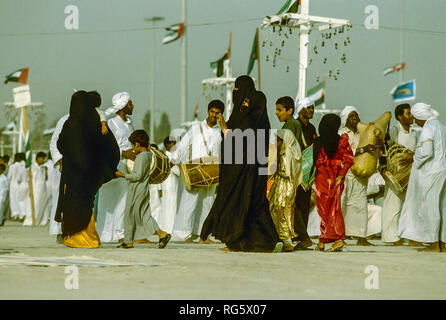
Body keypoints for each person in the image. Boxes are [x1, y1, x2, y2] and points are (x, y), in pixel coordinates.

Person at [200, 75, 282, 253]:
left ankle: (240, 241)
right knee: (256, 204)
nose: (243, 102)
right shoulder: (247, 117)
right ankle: (270, 241)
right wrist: (225, 128)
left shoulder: (250, 117)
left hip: (243, 173)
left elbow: (237, 140)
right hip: (249, 170)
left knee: (242, 203)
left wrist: (225, 130)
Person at [56, 90, 120, 248]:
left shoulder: (70, 123)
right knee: (86, 204)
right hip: (89, 175)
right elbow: (111, 147)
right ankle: (89, 238)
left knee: (73, 204)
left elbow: (60, 144)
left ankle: (77, 238)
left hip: (73, 174)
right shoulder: (96, 123)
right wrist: (100, 166)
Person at [169, 100, 223, 243]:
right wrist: (174, 160)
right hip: (196, 169)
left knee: (208, 202)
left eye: (217, 113)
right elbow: (183, 145)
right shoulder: (196, 128)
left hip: (211, 169)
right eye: (212, 112)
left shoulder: (220, 131)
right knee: (189, 201)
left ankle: (202, 235)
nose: (214, 115)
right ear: (208, 111)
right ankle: (182, 234)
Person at [399, 103, 446, 252]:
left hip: (431, 173)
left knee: (429, 207)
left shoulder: (428, 128)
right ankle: (442, 242)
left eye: (415, 118)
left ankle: (432, 242)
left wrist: (413, 157)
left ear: (420, 117)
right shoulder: (442, 127)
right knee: (442, 207)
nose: (414, 121)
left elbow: (426, 152)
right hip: (442, 171)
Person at [115, 130, 171, 249]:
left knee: (134, 215)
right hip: (143, 188)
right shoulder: (149, 154)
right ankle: (131, 240)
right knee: (143, 215)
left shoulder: (141, 157)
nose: (132, 148)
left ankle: (159, 235)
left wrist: (122, 175)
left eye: (133, 145)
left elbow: (137, 175)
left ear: (137, 144)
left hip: (136, 189)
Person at [96, 92, 136, 243]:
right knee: (106, 199)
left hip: (128, 167)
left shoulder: (130, 122)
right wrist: (123, 152)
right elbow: (104, 145)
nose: (133, 106)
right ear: (124, 106)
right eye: (130, 104)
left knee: (124, 199)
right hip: (112, 165)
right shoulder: (111, 123)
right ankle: (104, 233)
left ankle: (120, 233)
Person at [313, 114, 355, 252]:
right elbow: (349, 160)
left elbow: (318, 162)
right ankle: (323, 239)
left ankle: (338, 239)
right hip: (335, 179)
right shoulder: (341, 141)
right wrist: (340, 176)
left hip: (324, 179)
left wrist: (331, 177)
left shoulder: (319, 141)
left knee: (327, 210)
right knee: (331, 209)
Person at [380, 104, 419, 246]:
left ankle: (405, 235)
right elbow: (384, 149)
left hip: (409, 174)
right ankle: (391, 237)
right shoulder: (394, 130)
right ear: (400, 117)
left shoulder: (414, 133)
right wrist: (383, 169)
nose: (412, 116)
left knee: (408, 206)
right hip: (394, 174)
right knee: (392, 204)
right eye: (408, 114)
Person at [339, 106, 373, 246]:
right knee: (342, 203)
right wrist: (362, 149)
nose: (355, 119)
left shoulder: (363, 133)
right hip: (344, 173)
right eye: (352, 116)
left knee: (360, 203)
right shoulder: (341, 133)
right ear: (345, 119)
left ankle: (361, 237)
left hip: (359, 174)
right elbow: (344, 151)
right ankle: (339, 236)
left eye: (356, 115)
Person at [268, 129, 302, 252]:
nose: (276, 143)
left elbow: (286, 172)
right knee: (277, 210)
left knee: (282, 211)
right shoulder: (284, 153)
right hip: (280, 185)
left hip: (285, 186)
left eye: (278, 141)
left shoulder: (288, 155)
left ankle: (286, 241)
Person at [291, 97, 317, 250]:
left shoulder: (312, 128)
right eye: (308, 108)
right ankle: (300, 236)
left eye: (312, 108)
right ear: (300, 109)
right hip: (296, 170)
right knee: (294, 205)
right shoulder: (295, 126)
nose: (311, 111)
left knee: (304, 205)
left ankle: (303, 236)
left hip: (308, 172)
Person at [158, 136, 180, 234]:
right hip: (169, 183)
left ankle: (168, 228)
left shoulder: (169, 155)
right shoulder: (167, 157)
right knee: (170, 206)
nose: (175, 145)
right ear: (167, 145)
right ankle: (169, 229)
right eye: (173, 143)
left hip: (172, 183)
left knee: (170, 206)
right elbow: (177, 171)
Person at [32, 152, 50, 226]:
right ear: (38, 158)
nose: (43, 160)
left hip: (43, 188)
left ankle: (43, 220)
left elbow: (46, 178)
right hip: (36, 188)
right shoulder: (33, 167)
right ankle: (34, 219)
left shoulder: (43, 167)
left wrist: (46, 171)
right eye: (42, 159)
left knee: (44, 203)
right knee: (36, 203)